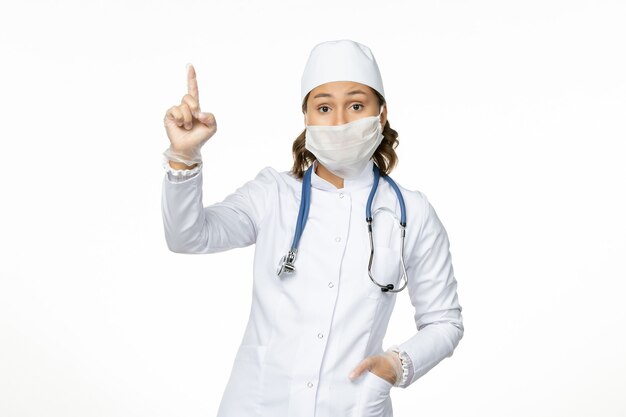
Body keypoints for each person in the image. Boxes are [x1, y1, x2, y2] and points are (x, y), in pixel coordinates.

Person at [161, 39, 464, 417]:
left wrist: (396, 366)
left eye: (356, 105)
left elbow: (444, 321)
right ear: (306, 117)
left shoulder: (411, 211)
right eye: (324, 107)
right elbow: (188, 236)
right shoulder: (272, 193)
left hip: (354, 407)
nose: (339, 121)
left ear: (381, 114)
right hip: (258, 405)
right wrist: (185, 158)